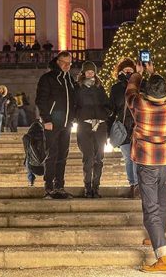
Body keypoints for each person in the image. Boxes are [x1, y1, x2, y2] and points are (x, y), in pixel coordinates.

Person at [126, 62, 166, 273]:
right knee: (162, 200)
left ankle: (163, 258)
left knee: (151, 209)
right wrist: (154, 73)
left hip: (147, 161)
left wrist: (139, 75)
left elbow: (130, 89)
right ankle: (158, 237)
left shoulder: (140, 104)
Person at [35, 51, 76, 199]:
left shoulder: (69, 79)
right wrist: (46, 119)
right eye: (64, 62)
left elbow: (74, 100)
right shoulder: (48, 78)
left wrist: (73, 118)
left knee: (62, 156)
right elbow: (41, 100)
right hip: (52, 123)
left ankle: (59, 186)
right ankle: (49, 188)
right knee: (51, 155)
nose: (67, 65)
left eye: (69, 63)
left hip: (66, 124)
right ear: (57, 61)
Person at [75, 61, 113, 198]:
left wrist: (104, 114)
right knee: (88, 158)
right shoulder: (78, 88)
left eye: (92, 71)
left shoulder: (99, 87)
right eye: (88, 71)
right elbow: (75, 106)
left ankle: (96, 187)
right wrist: (81, 117)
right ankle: (87, 187)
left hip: (100, 126)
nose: (90, 73)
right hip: (85, 126)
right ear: (83, 73)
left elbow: (107, 104)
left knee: (99, 159)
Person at [109, 58, 138, 197]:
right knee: (128, 158)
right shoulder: (115, 88)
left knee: (137, 157)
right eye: (125, 69)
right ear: (120, 71)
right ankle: (133, 184)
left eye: (130, 69)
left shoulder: (140, 85)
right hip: (123, 128)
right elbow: (112, 110)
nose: (127, 71)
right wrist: (109, 130)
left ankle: (138, 185)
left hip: (139, 126)